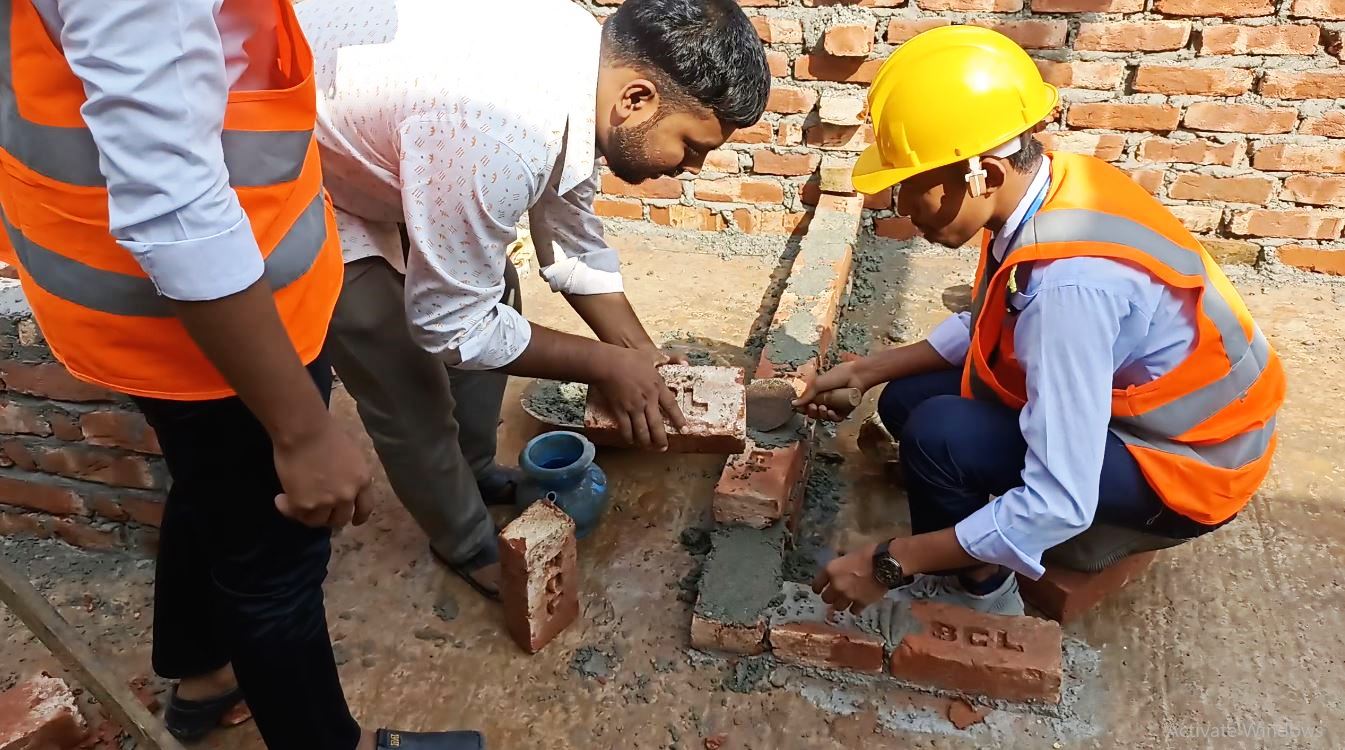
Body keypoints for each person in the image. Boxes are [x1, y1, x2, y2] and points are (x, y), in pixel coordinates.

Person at [0, 1, 480, 747]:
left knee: (216, 487)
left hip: (162, 308)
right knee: (277, 564)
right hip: (218, 328)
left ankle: (204, 676)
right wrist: (302, 429)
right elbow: (174, 210)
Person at [799, 26, 1285, 619]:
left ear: (983, 175)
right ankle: (977, 526)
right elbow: (992, 319)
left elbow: (1060, 500)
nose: (901, 208)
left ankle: (980, 588)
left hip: (1186, 469)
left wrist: (891, 560)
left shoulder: (1069, 291)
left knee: (938, 433)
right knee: (903, 399)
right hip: (1152, 419)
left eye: (910, 187)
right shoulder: (1047, 190)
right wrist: (868, 370)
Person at [295, 0, 769, 598]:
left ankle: (471, 470)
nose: (692, 169)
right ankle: (467, 541)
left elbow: (571, 236)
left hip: (393, 138)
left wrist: (639, 357)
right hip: (295, 164)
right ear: (638, 99)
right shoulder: (498, 134)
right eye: (691, 147)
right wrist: (604, 364)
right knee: (397, 357)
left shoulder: (585, 66)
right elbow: (449, 326)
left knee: (500, 290)